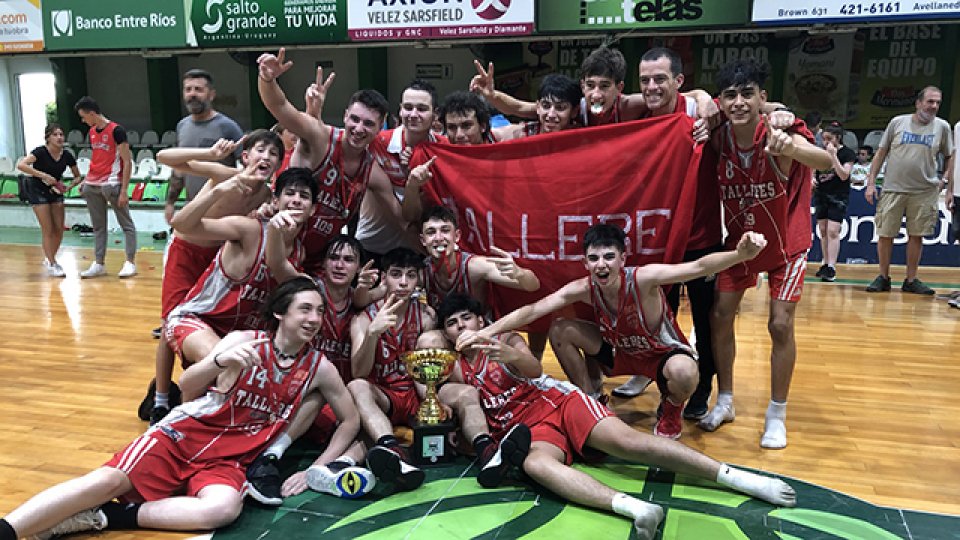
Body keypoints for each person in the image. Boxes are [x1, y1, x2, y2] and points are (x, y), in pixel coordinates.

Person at [0, 277, 356, 540]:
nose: (313, 318)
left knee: (223, 509)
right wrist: (219, 360)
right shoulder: (244, 343)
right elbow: (186, 387)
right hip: (182, 436)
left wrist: (317, 467)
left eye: (319, 311)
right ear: (280, 313)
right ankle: (9, 529)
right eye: (304, 309)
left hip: (229, 459)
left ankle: (109, 517)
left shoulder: (318, 367)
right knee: (107, 480)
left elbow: (350, 419)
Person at [435, 293, 796, 540]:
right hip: (528, 431)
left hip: (556, 402)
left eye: (467, 317)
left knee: (628, 442)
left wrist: (510, 355)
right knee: (537, 468)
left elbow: (531, 369)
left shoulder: (507, 340)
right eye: (452, 323)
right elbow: (456, 406)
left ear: (481, 319)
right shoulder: (452, 368)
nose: (461, 326)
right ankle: (637, 509)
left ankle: (738, 479)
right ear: (446, 334)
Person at [453, 223, 766, 440]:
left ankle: (671, 407)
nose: (600, 265)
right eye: (593, 258)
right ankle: (589, 398)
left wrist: (740, 255)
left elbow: (698, 267)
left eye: (608, 257)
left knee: (685, 372)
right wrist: (485, 333)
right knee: (560, 328)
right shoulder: (583, 287)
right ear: (585, 262)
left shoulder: (644, 278)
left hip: (659, 356)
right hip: (619, 354)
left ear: (622, 258)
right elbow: (533, 310)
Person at [698, 59, 831, 450]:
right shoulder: (719, 137)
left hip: (786, 244)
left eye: (746, 94)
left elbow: (826, 162)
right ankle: (725, 399)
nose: (738, 102)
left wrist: (793, 148)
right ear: (722, 101)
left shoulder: (779, 132)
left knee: (779, 324)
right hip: (741, 243)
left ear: (762, 98)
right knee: (719, 316)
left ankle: (777, 413)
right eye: (730, 95)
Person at [143, 131, 284, 424]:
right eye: (261, 151)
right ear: (246, 156)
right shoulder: (224, 173)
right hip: (185, 250)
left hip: (218, 257)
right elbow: (162, 157)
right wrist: (209, 154)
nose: (267, 158)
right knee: (172, 320)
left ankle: (200, 384)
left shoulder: (269, 196)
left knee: (202, 321)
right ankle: (160, 396)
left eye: (274, 155)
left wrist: (268, 211)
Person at [611, 48, 717, 413]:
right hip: (656, 236)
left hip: (700, 236)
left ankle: (702, 388)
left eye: (660, 78)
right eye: (646, 80)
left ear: (679, 81)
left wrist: (707, 103)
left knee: (706, 320)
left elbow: (745, 106)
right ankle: (653, 377)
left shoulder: (698, 111)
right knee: (654, 316)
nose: (653, 86)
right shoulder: (638, 113)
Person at [163, 167, 318, 413]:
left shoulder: (299, 252)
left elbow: (279, 267)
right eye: (290, 193)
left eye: (304, 196)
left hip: (239, 334)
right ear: (275, 201)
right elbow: (182, 225)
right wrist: (219, 190)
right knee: (227, 361)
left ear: (312, 209)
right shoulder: (249, 228)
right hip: (196, 319)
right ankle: (181, 430)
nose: (296, 199)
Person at [256, 48, 398, 275]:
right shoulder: (321, 136)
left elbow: (400, 218)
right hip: (276, 245)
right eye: (354, 119)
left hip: (317, 260)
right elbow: (280, 107)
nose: (359, 129)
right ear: (345, 116)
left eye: (369, 124)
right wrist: (268, 79)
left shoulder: (372, 171)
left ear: (381, 128)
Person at [347, 247, 435, 491]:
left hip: (417, 394)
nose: (404, 282)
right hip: (385, 396)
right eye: (396, 274)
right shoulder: (363, 319)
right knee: (357, 386)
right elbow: (359, 373)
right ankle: (392, 448)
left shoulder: (426, 318)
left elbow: (430, 370)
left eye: (411, 275)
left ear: (419, 279)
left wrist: (432, 400)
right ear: (384, 278)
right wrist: (373, 334)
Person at [864, 86, 954, 295]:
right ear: (918, 103)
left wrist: (945, 179)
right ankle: (883, 277)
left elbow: (950, 155)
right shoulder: (898, 122)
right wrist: (870, 183)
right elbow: (881, 153)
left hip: (925, 191)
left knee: (917, 235)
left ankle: (911, 280)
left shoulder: (942, 127)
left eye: (937, 103)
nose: (934, 106)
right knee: (885, 234)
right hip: (893, 188)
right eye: (930, 101)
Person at [360, 80, 447, 259]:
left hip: (417, 250)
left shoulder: (444, 149)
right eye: (408, 107)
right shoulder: (377, 143)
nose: (413, 114)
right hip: (374, 245)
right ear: (400, 110)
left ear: (435, 114)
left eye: (422, 109)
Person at [418, 205, 541, 310]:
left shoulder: (475, 266)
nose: (438, 238)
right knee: (429, 338)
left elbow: (533, 285)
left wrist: (519, 273)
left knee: (513, 339)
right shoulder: (421, 271)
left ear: (457, 236)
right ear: (423, 240)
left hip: (480, 332)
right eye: (431, 232)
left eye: (445, 230)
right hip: (442, 333)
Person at [166, 68, 244, 218]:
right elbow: (179, 169)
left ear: (211, 95)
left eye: (198, 89)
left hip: (221, 210)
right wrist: (170, 202)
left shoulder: (228, 127)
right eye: (188, 89)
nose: (192, 94)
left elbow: (247, 166)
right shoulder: (182, 126)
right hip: (192, 207)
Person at [73, 96, 137, 279]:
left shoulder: (117, 130)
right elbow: (97, 159)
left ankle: (130, 262)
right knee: (98, 227)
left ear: (92, 113)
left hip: (112, 184)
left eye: (84, 117)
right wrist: (86, 180)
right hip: (93, 184)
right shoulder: (93, 132)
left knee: (127, 226)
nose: (83, 121)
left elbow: (127, 161)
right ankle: (99, 263)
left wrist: (124, 189)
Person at [16, 123, 82, 277]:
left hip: (55, 189)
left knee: (59, 228)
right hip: (37, 188)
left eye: (61, 134)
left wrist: (69, 186)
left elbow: (78, 176)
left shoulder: (67, 155)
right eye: (55, 135)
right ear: (48, 137)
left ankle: (49, 257)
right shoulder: (40, 152)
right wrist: (43, 175)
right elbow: (21, 165)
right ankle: (52, 262)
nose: (59, 137)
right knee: (48, 229)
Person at [813, 122, 857, 282]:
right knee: (823, 230)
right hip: (821, 194)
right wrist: (811, 178)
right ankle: (825, 263)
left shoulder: (847, 153)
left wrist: (833, 156)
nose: (825, 142)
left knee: (833, 231)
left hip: (838, 196)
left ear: (837, 138)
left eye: (829, 139)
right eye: (823, 139)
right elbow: (813, 168)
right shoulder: (820, 152)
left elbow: (844, 174)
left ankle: (832, 266)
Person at [487, 74, 582, 140]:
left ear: (574, 111)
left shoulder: (582, 137)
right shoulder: (526, 133)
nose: (551, 114)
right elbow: (488, 136)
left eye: (560, 108)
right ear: (538, 107)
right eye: (546, 106)